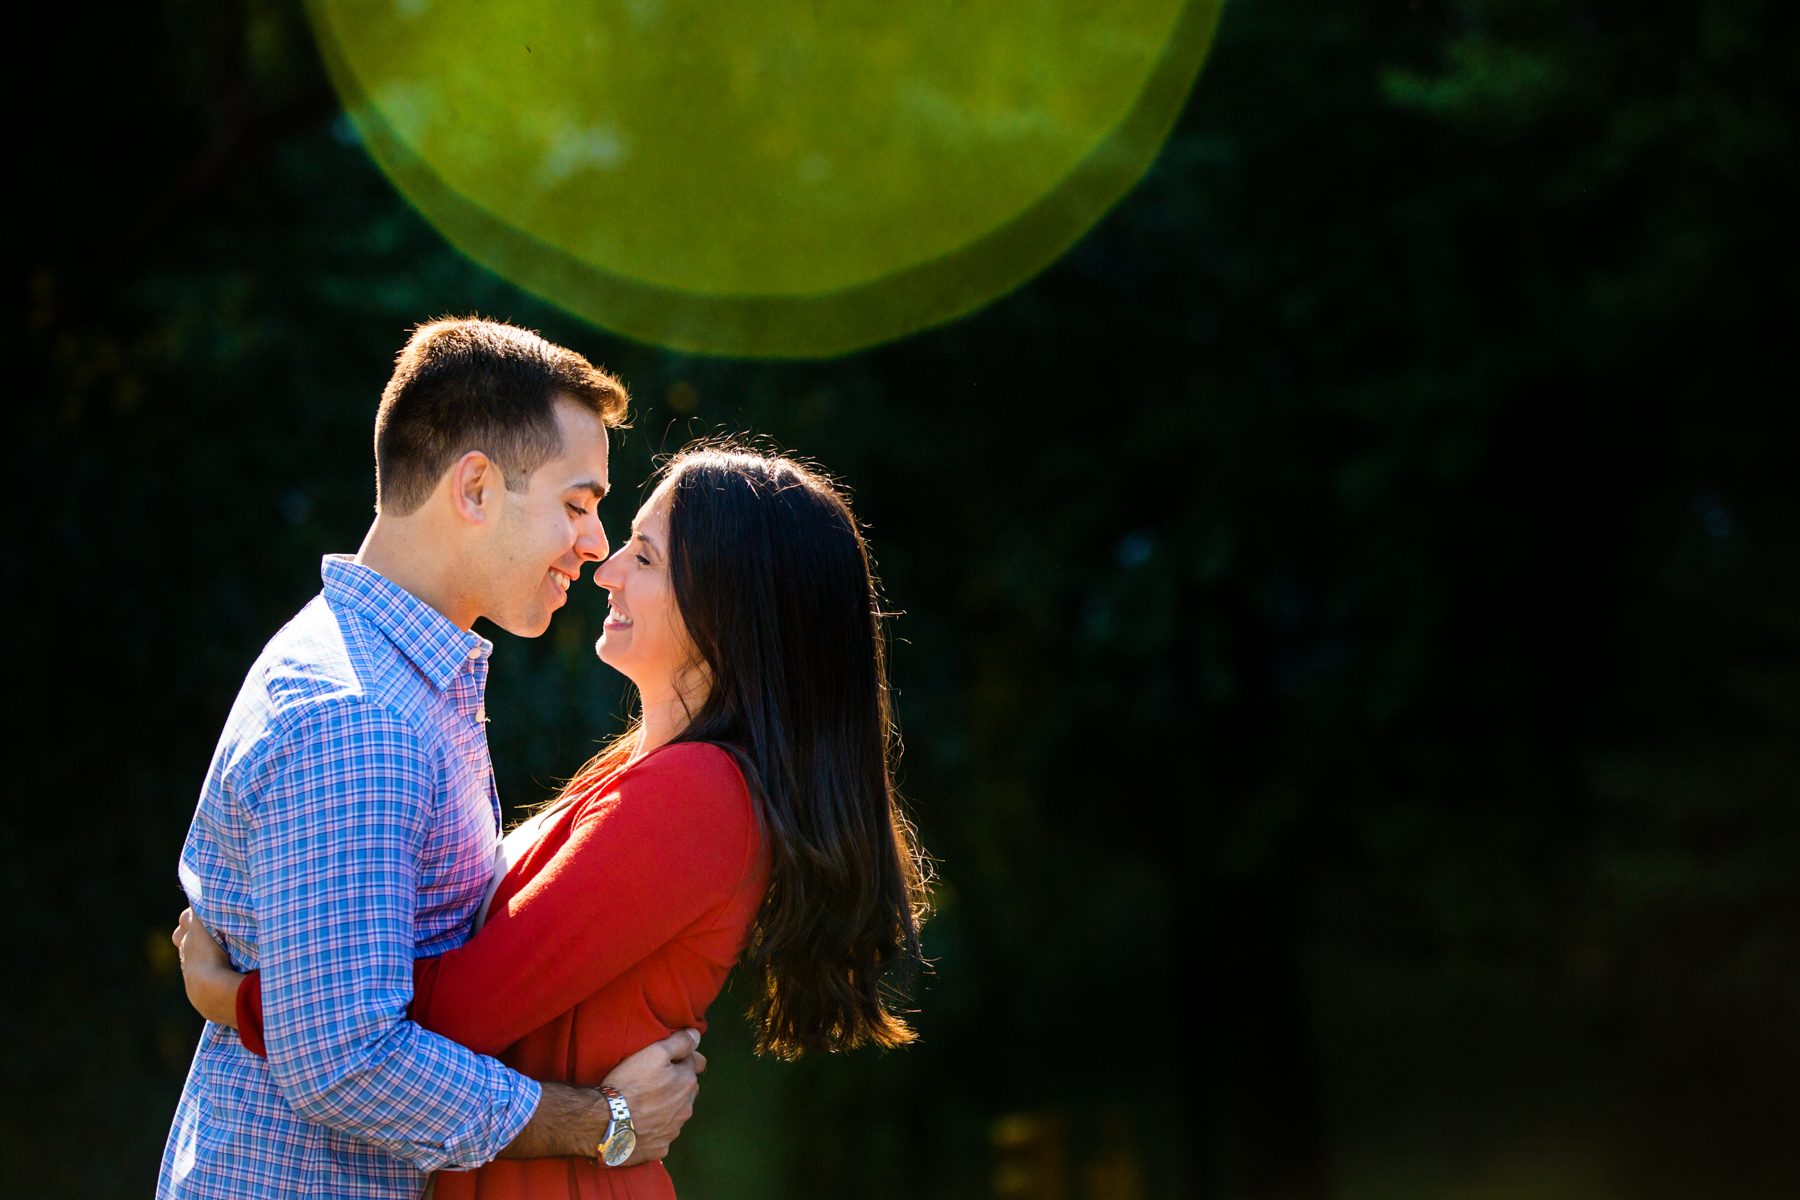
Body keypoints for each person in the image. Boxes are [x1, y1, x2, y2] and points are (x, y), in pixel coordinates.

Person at [174, 442, 931, 1200]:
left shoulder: (698, 797)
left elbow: (460, 1010)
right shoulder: (645, 771)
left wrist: (240, 994)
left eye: (644, 556)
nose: (607, 570)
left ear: (730, 605)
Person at [160, 318, 706, 1200]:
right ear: (477, 489)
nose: (596, 542)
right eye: (576, 503)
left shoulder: (405, 683)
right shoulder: (359, 719)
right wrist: (605, 1124)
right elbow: (346, 1060)